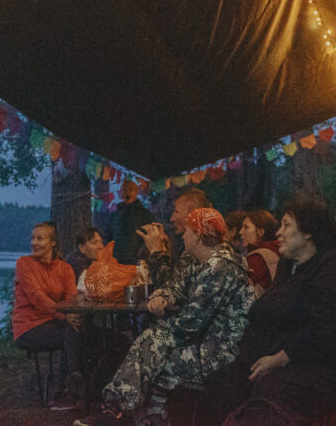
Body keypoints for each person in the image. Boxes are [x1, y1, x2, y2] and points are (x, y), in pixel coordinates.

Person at [76, 208, 255, 426]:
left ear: (199, 235)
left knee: (151, 351)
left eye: (187, 230)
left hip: (220, 351)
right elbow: (176, 286)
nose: (183, 235)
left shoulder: (220, 267)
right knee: (151, 352)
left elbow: (189, 324)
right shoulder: (198, 259)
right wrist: (163, 295)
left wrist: (156, 332)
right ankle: (142, 415)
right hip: (202, 342)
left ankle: (118, 410)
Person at [216, 200, 336, 424]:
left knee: (271, 386)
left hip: (333, 368)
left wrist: (280, 358)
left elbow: (325, 330)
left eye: (286, 225)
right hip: (287, 358)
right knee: (224, 378)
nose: (278, 233)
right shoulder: (288, 267)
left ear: (308, 231)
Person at [12, 221, 82, 409]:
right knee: (73, 335)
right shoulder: (24, 264)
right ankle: (62, 393)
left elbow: (71, 300)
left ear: (53, 243)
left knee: (96, 336)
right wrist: (65, 317)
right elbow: (37, 297)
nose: (34, 243)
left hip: (57, 323)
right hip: (29, 327)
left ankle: (89, 387)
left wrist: (73, 316)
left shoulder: (64, 268)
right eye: (33, 238)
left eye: (40, 238)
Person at [136, 188, 212, 289]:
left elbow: (170, 288)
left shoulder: (201, 246)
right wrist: (166, 252)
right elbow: (178, 277)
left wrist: (156, 251)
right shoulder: (192, 243)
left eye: (176, 212)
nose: (172, 218)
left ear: (192, 215)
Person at [104, 181, 155, 265]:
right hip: (116, 260)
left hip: (137, 260)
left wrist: (142, 254)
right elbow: (107, 236)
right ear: (120, 193)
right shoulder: (114, 215)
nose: (127, 192)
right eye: (124, 190)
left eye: (130, 190)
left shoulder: (144, 214)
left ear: (136, 192)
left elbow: (151, 235)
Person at [239, 210, 280, 293]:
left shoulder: (256, 258)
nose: (241, 232)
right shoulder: (278, 250)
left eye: (246, 227)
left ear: (260, 232)